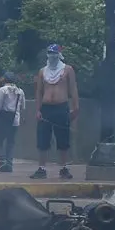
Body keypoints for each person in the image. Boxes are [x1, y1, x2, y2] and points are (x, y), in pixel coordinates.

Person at [31, 44, 79, 179]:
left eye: (54, 54)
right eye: (50, 53)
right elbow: (39, 92)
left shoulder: (67, 70)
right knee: (42, 139)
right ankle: (41, 168)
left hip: (61, 107)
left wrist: (76, 107)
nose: (52, 56)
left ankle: (64, 168)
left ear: (59, 55)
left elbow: (73, 89)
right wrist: (38, 110)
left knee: (63, 139)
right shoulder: (42, 72)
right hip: (46, 109)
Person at [0, 71, 25, 173]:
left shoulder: (3, 90)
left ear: (5, 79)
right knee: (11, 142)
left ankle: (2, 161)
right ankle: (9, 163)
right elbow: (23, 106)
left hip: (3, 120)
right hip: (15, 120)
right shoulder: (20, 91)